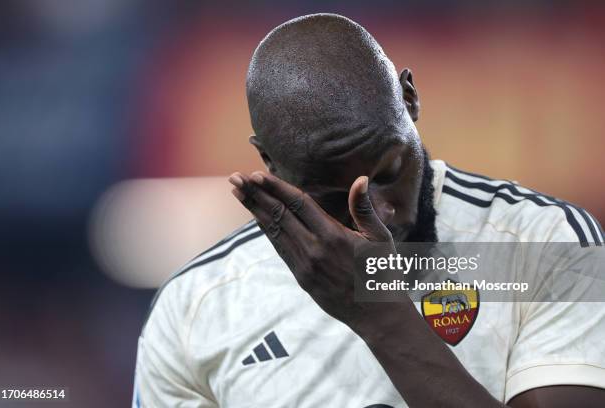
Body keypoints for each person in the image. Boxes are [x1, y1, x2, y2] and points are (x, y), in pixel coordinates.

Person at [132, 13, 605, 407]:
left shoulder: (545, 243)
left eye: (387, 172)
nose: (383, 214)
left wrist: (377, 312)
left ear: (409, 97)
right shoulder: (196, 306)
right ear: (270, 162)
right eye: (336, 198)